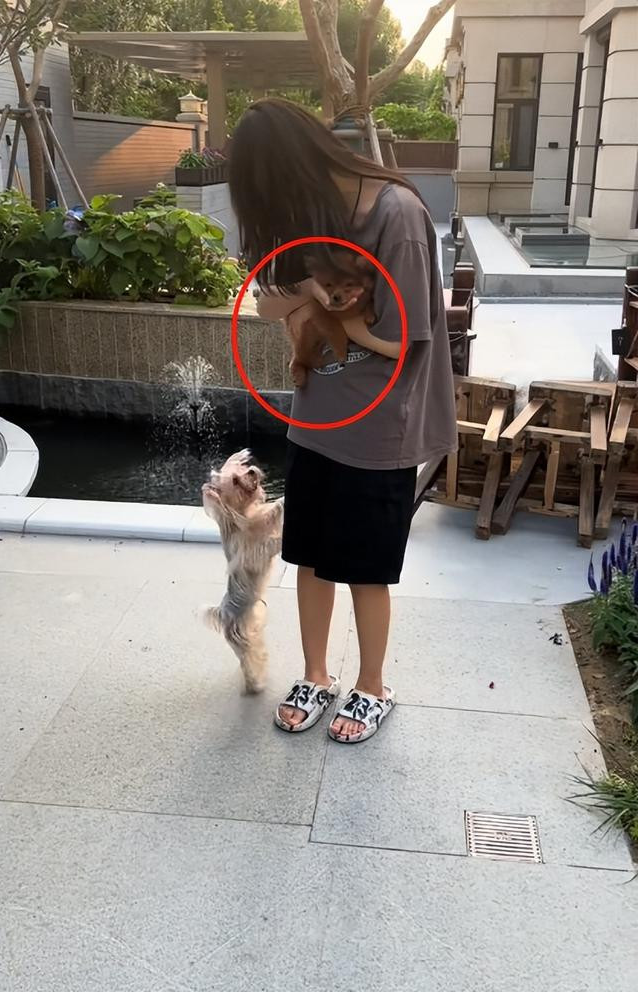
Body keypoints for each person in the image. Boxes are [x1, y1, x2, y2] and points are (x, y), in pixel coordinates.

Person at [229, 98, 457, 744]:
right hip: (316, 420)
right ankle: (316, 675)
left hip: (381, 425)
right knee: (310, 558)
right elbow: (266, 302)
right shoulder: (312, 218)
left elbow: (404, 338)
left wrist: (333, 312)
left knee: (365, 567)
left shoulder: (397, 215)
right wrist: (308, 293)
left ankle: (372, 685)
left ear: (294, 171)